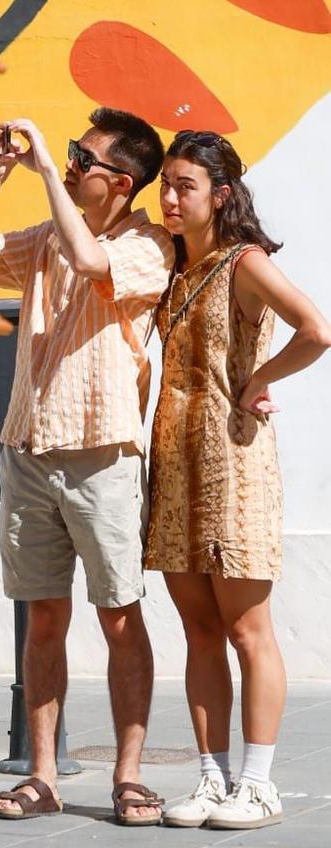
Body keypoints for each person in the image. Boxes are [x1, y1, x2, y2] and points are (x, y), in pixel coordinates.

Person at [0, 108, 172, 826]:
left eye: (80, 158)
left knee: (119, 617)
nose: (65, 163)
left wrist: (39, 176)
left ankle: (128, 776)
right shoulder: (44, 239)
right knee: (41, 620)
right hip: (30, 447)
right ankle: (41, 775)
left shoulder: (147, 243)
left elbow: (92, 263)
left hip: (103, 456)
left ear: (120, 183)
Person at [146, 131, 331, 831]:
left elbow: (315, 329)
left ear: (219, 195)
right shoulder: (173, 267)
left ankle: (258, 784)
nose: (167, 197)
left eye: (183, 186)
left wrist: (259, 379)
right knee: (197, 629)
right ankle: (209, 778)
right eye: (164, 183)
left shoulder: (242, 263)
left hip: (234, 462)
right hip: (173, 461)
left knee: (246, 628)